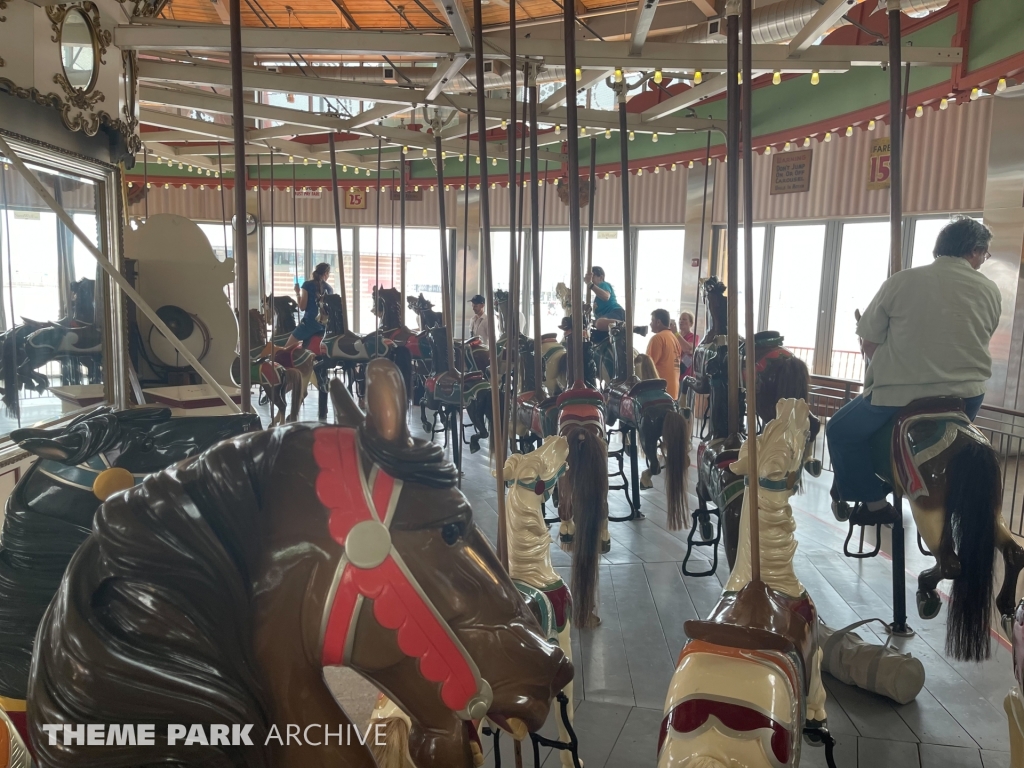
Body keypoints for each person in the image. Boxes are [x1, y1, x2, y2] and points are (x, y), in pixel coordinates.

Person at [825, 217, 1001, 525]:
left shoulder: (902, 281)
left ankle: (873, 504)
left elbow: (868, 341)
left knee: (839, 430)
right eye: (985, 255)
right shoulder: (990, 290)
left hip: (901, 393)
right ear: (974, 251)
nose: (983, 261)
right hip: (967, 396)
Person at [287, 262, 333, 348]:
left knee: (287, 348)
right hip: (323, 326)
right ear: (326, 273)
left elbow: (302, 307)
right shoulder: (330, 289)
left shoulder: (307, 285)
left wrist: (297, 293)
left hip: (309, 323)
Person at [647, 309, 682, 399]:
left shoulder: (657, 338)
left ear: (658, 322)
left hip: (659, 394)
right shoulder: (674, 339)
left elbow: (647, 367)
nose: (650, 324)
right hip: (673, 392)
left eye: (652, 321)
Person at [674, 311, 697, 382]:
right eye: (680, 319)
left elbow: (688, 349)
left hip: (686, 377)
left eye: (684, 319)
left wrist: (676, 333)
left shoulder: (694, 337)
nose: (681, 321)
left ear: (691, 323)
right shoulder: (674, 336)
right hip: (674, 374)